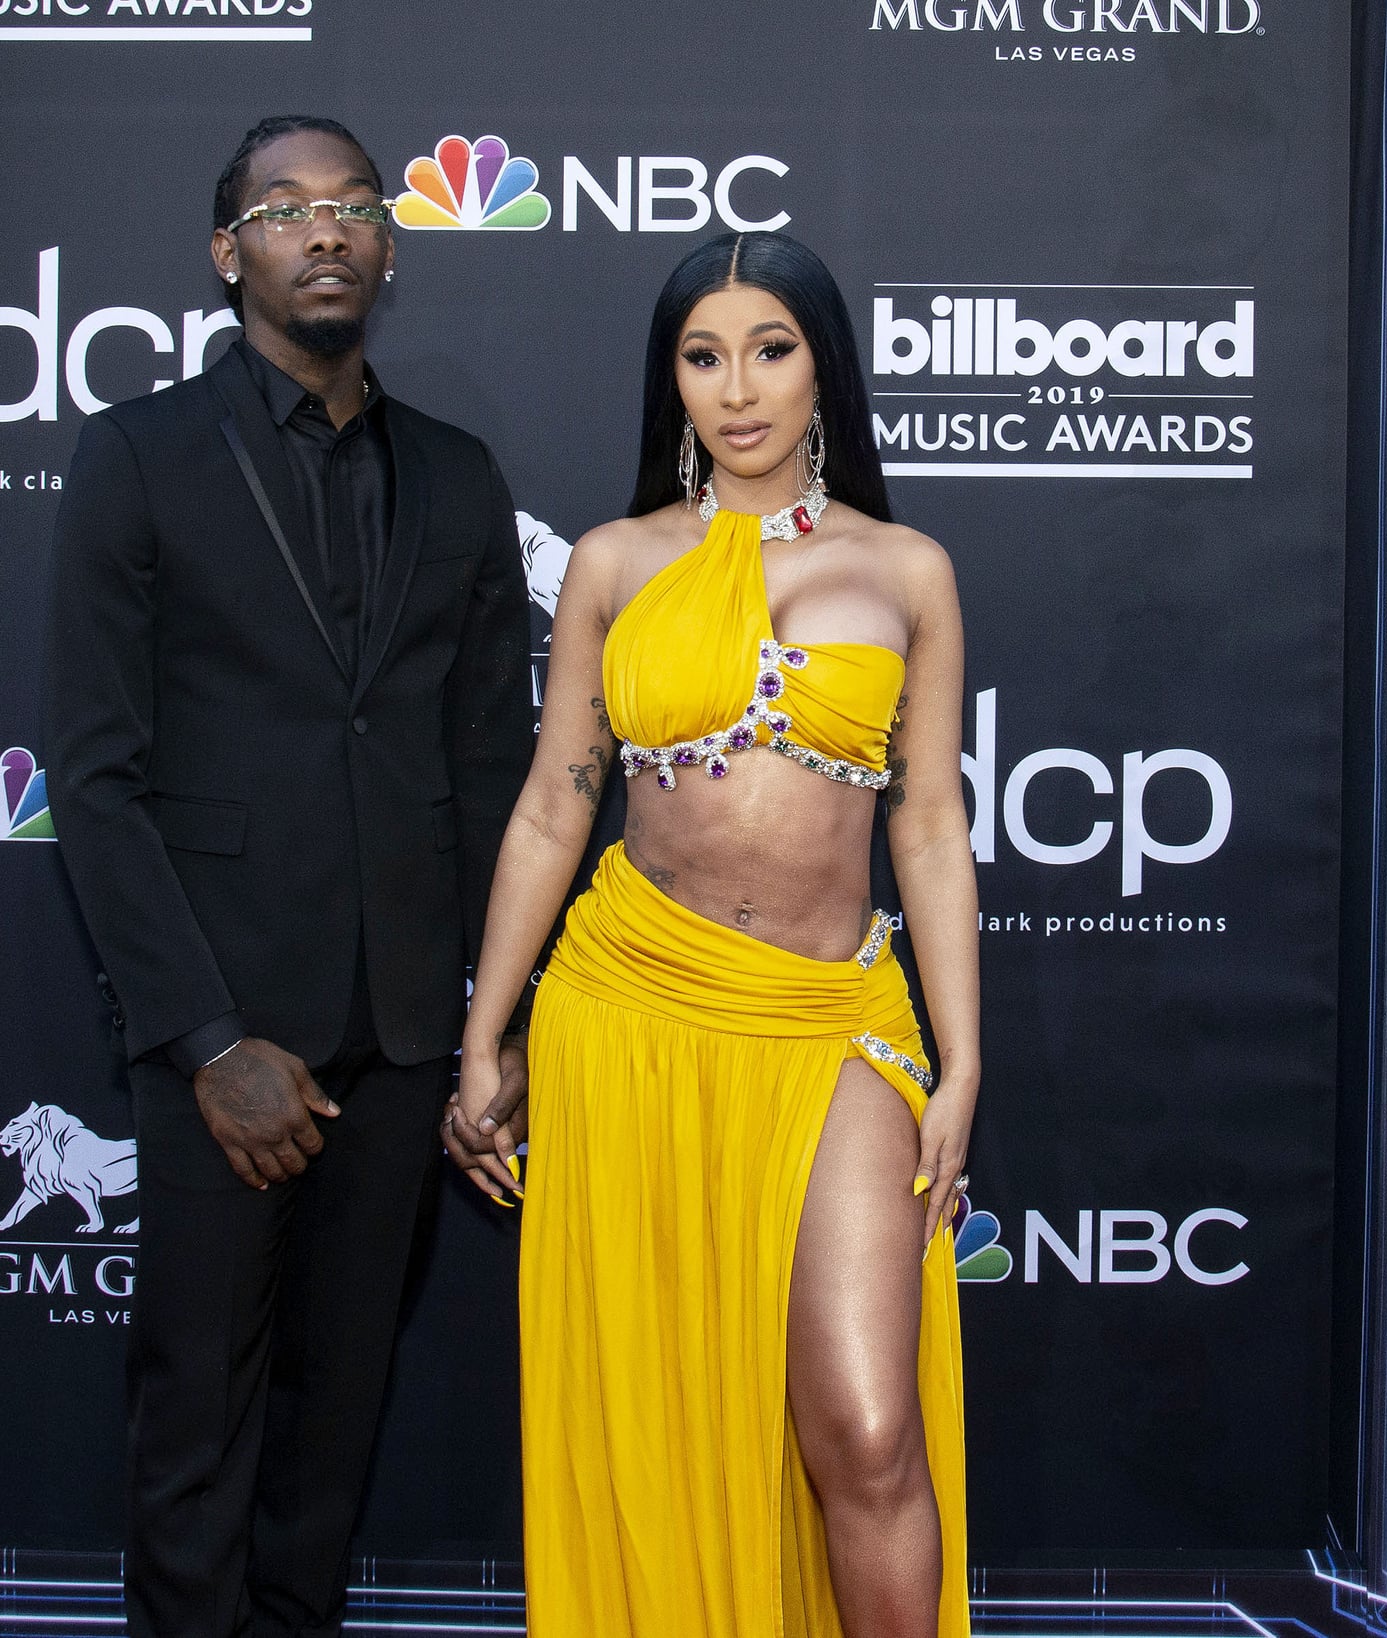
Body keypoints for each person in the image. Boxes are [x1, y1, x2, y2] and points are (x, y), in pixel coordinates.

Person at [44, 115, 535, 1638]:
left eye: (354, 207)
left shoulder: (459, 478)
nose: (324, 231)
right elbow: (96, 778)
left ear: (388, 247)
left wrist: (483, 1029)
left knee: (333, 1437)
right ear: (228, 252)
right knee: (197, 1421)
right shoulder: (135, 455)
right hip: (222, 1044)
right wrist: (201, 1040)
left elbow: (487, 778)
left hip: (398, 1046)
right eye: (285, 208)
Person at [447, 232, 979, 1638]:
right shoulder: (616, 563)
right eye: (701, 356)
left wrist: (965, 1063)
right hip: (628, 1004)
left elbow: (927, 824)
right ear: (669, 380)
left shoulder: (909, 568)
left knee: (868, 1427)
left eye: (770, 349)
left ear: (824, 367)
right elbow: (555, 807)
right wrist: (485, 1033)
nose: (737, 389)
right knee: (661, 1417)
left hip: (831, 1016)